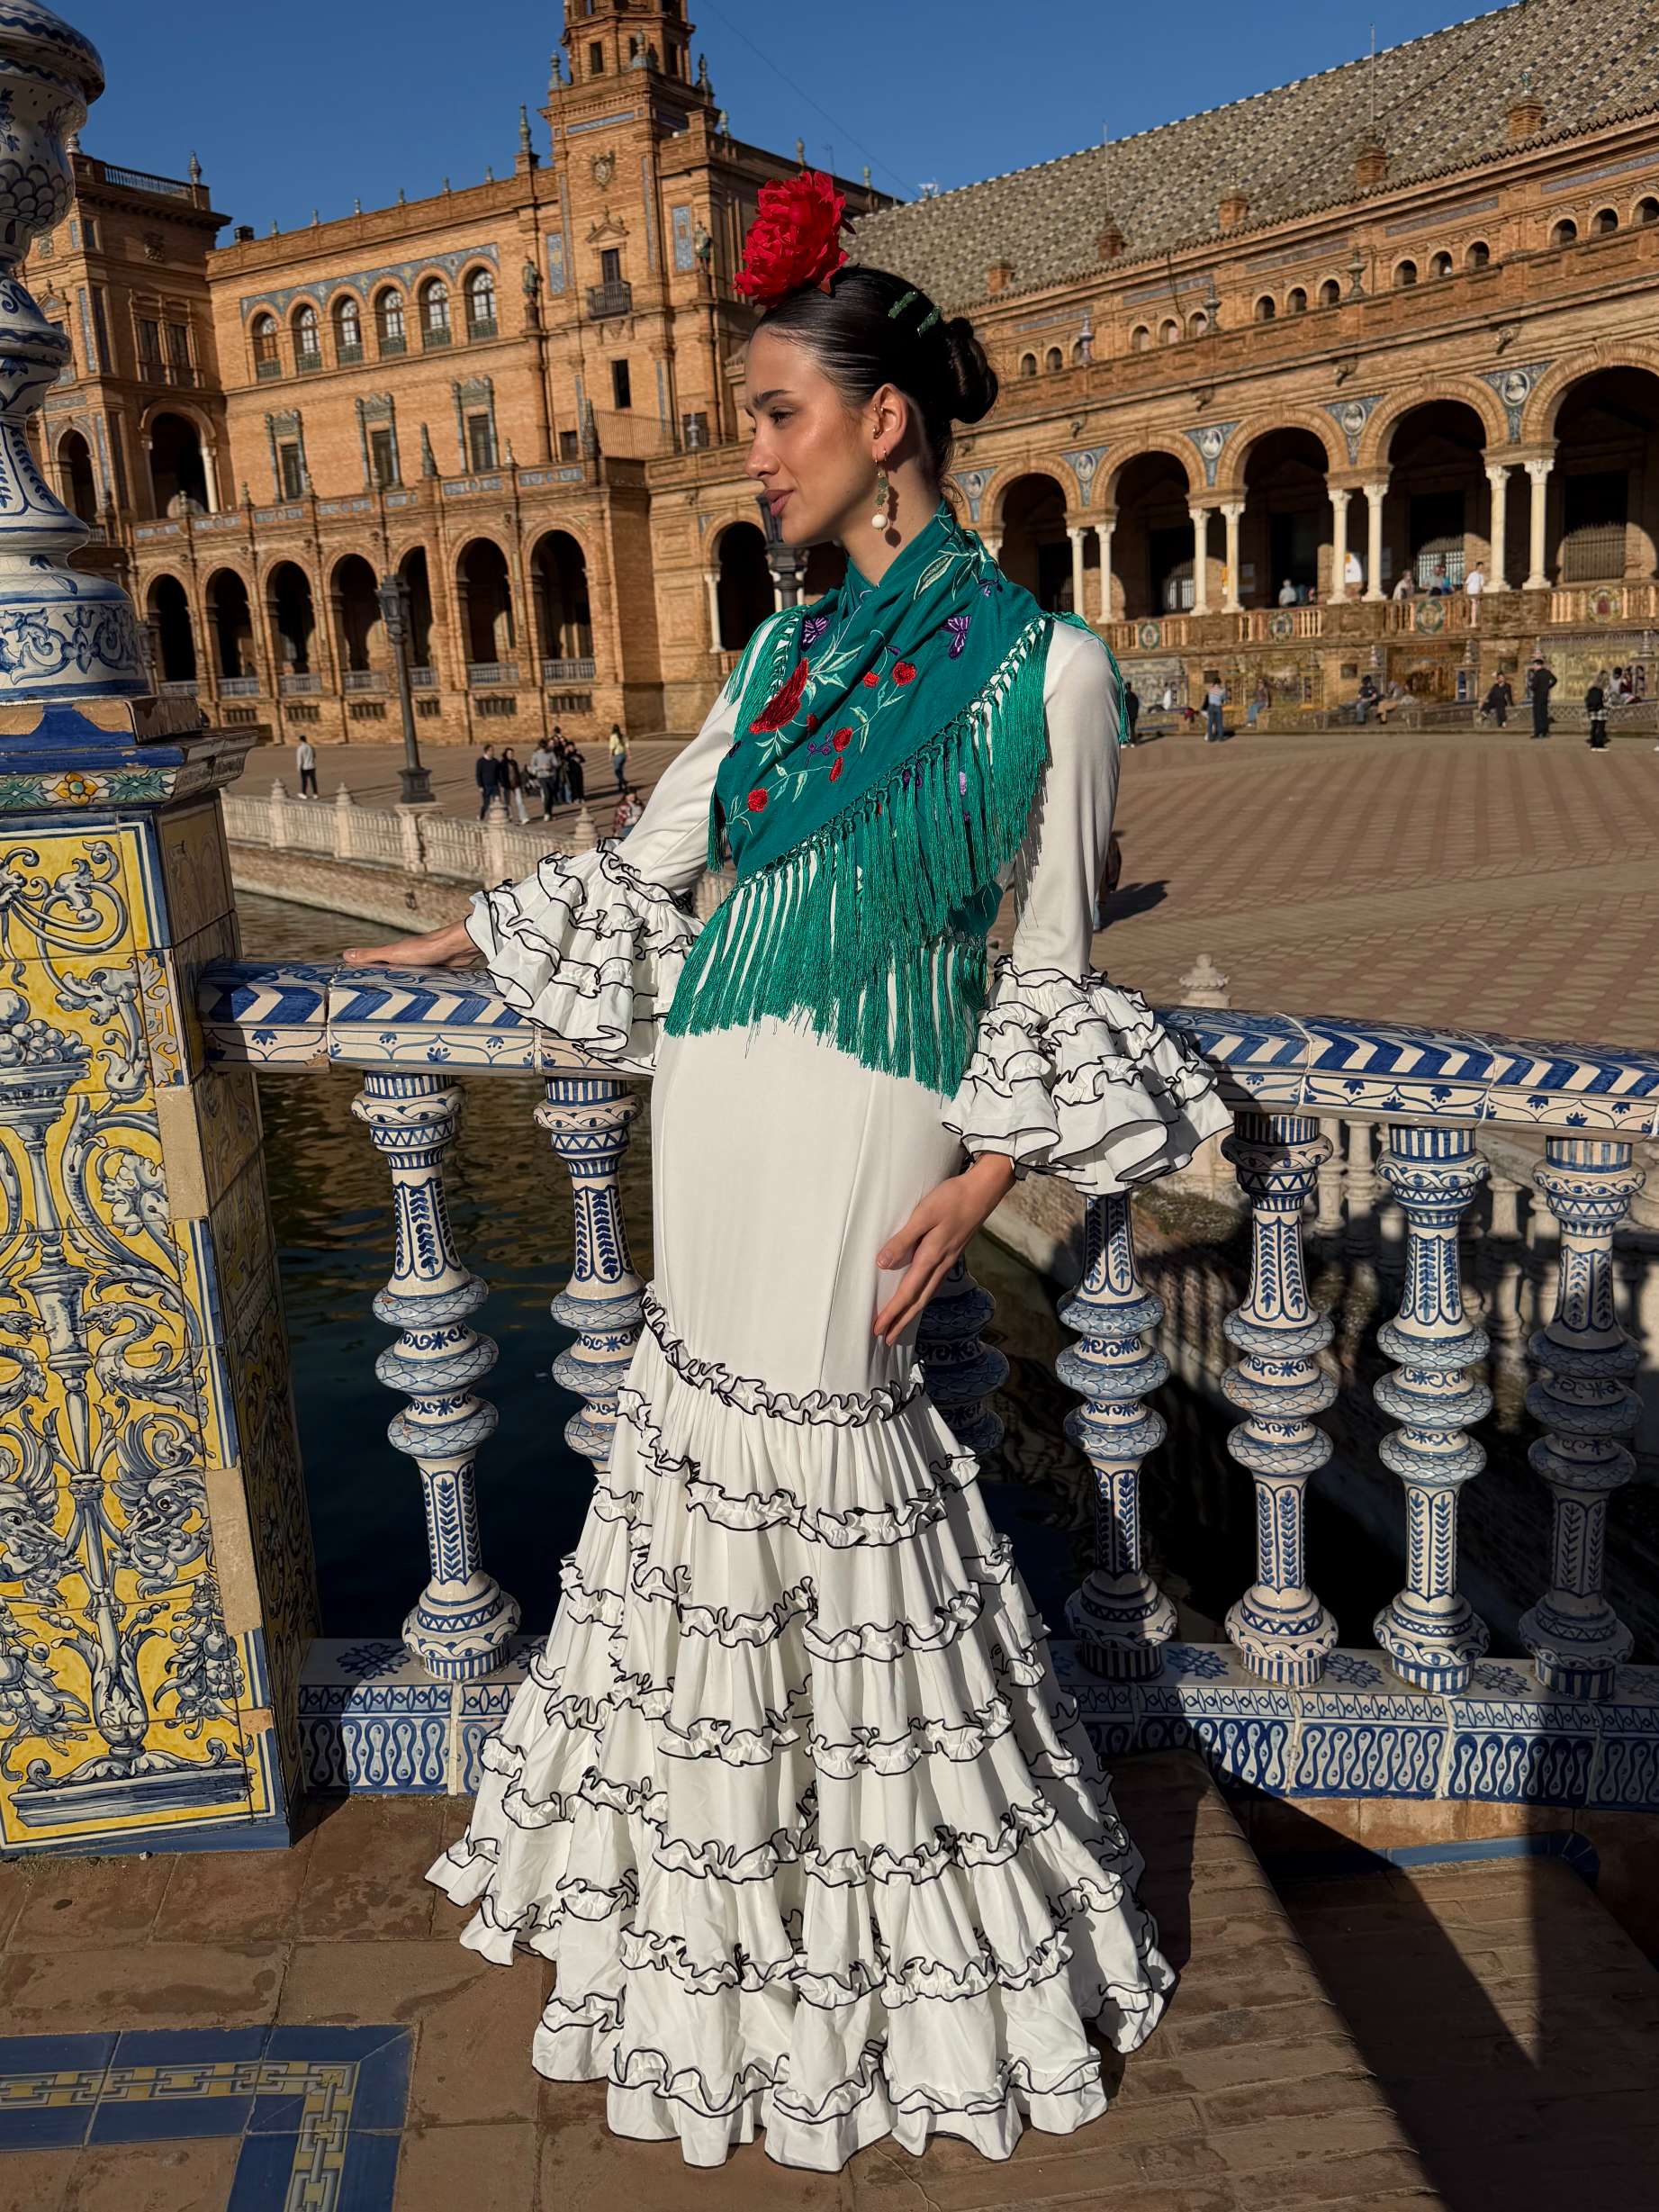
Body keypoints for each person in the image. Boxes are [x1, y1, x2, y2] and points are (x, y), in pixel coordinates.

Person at [341, 180, 1229, 2173]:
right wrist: (460, 939)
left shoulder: (1049, 671)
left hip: (869, 1113)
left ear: (883, 421)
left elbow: (1058, 966)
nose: (746, 452)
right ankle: (709, 1913)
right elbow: (658, 865)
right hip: (721, 1087)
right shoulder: (781, 651)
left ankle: (894, 1956)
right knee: (699, 1466)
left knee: (833, 1465)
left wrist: (976, 1169)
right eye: (746, 418)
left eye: (771, 414)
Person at [1528, 654, 1557, 738]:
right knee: (1544, 714)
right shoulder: (1547, 672)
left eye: (1534, 665)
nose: (1533, 667)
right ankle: (1545, 732)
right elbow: (1555, 680)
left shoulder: (1537, 674)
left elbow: (1534, 686)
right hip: (1545, 696)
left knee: (1538, 714)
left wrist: (1531, 686)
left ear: (1537, 665)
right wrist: (1548, 687)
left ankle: (1538, 732)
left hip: (1538, 696)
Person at [528, 738, 557, 818]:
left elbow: (556, 764)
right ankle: (546, 813)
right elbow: (532, 767)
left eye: (545, 747)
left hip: (550, 776)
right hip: (541, 777)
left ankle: (550, 813)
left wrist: (550, 766)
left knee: (551, 795)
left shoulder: (551, 753)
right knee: (547, 794)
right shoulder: (536, 754)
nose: (543, 749)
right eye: (542, 747)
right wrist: (541, 767)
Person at [500, 746, 529, 824]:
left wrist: (520, 782)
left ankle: (523, 817)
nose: (511, 755)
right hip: (507, 785)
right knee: (507, 802)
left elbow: (517, 773)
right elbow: (501, 775)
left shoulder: (514, 762)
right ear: (505, 754)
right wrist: (502, 784)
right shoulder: (502, 763)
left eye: (512, 753)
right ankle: (509, 816)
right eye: (509, 753)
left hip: (516, 784)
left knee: (520, 801)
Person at [474, 742, 501, 818]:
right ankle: (481, 815)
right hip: (486, 787)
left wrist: (500, 782)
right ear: (486, 751)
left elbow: (499, 773)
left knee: (497, 802)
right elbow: (478, 775)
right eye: (490, 750)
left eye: (493, 750)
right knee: (486, 804)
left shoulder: (495, 761)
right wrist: (480, 786)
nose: (492, 752)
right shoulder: (480, 761)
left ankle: (496, 817)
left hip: (495, 786)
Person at [1585, 675, 1609, 751]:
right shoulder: (1603, 690)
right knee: (1600, 728)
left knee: (1594, 727)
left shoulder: (1591, 689)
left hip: (1592, 711)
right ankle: (1599, 745)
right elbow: (1606, 700)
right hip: (1601, 711)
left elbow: (1587, 699)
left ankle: (1593, 743)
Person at [607, 720, 628, 793]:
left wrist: (610, 756)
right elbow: (627, 745)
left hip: (617, 755)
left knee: (617, 771)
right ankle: (620, 786)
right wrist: (629, 754)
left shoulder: (613, 736)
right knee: (620, 771)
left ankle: (623, 781)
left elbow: (612, 746)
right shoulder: (622, 736)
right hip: (623, 755)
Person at [294, 735, 318, 799]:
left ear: (300, 740)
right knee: (313, 780)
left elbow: (299, 759)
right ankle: (315, 794)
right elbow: (314, 756)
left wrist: (299, 767)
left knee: (304, 781)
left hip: (304, 767)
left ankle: (304, 793)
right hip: (312, 766)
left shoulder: (300, 748)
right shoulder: (310, 746)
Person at [1204, 677, 1225, 742]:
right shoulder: (1222, 690)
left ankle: (1210, 738)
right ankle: (1220, 738)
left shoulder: (1210, 690)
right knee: (1219, 723)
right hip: (1218, 707)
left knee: (1210, 723)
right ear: (1219, 683)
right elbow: (1223, 700)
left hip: (1211, 707)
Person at [1122, 678, 1140, 745]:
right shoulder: (1128, 696)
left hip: (1131, 715)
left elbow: (1136, 705)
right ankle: (1131, 741)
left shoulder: (1129, 696)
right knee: (1130, 729)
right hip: (1130, 715)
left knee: (1131, 729)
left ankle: (1132, 741)